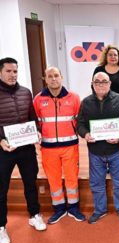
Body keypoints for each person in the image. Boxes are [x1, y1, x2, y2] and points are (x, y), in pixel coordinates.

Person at [77, 72, 119, 225]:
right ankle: (100, 210)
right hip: (95, 151)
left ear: (110, 83)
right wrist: (85, 134)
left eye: (104, 81)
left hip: (116, 150)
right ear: (92, 84)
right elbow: (80, 124)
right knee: (96, 183)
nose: (101, 84)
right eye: (97, 82)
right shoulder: (86, 102)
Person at [0, 57, 46, 243]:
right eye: (9, 71)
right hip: (4, 150)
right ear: (0, 72)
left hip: (26, 148)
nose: (13, 75)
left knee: (30, 183)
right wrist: (0, 140)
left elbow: (32, 118)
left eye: (15, 71)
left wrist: (36, 131)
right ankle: (1, 226)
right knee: (1, 189)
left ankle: (34, 215)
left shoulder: (26, 93)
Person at [33, 67, 85, 224]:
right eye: (50, 76)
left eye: (56, 75)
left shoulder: (74, 98)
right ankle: (59, 209)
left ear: (61, 77)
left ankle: (74, 208)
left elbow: (80, 121)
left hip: (70, 146)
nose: (53, 78)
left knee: (71, 178)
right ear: (45, 79)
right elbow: (34, 122)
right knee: (53, 180)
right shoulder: (37, 99)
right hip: (48, 148)